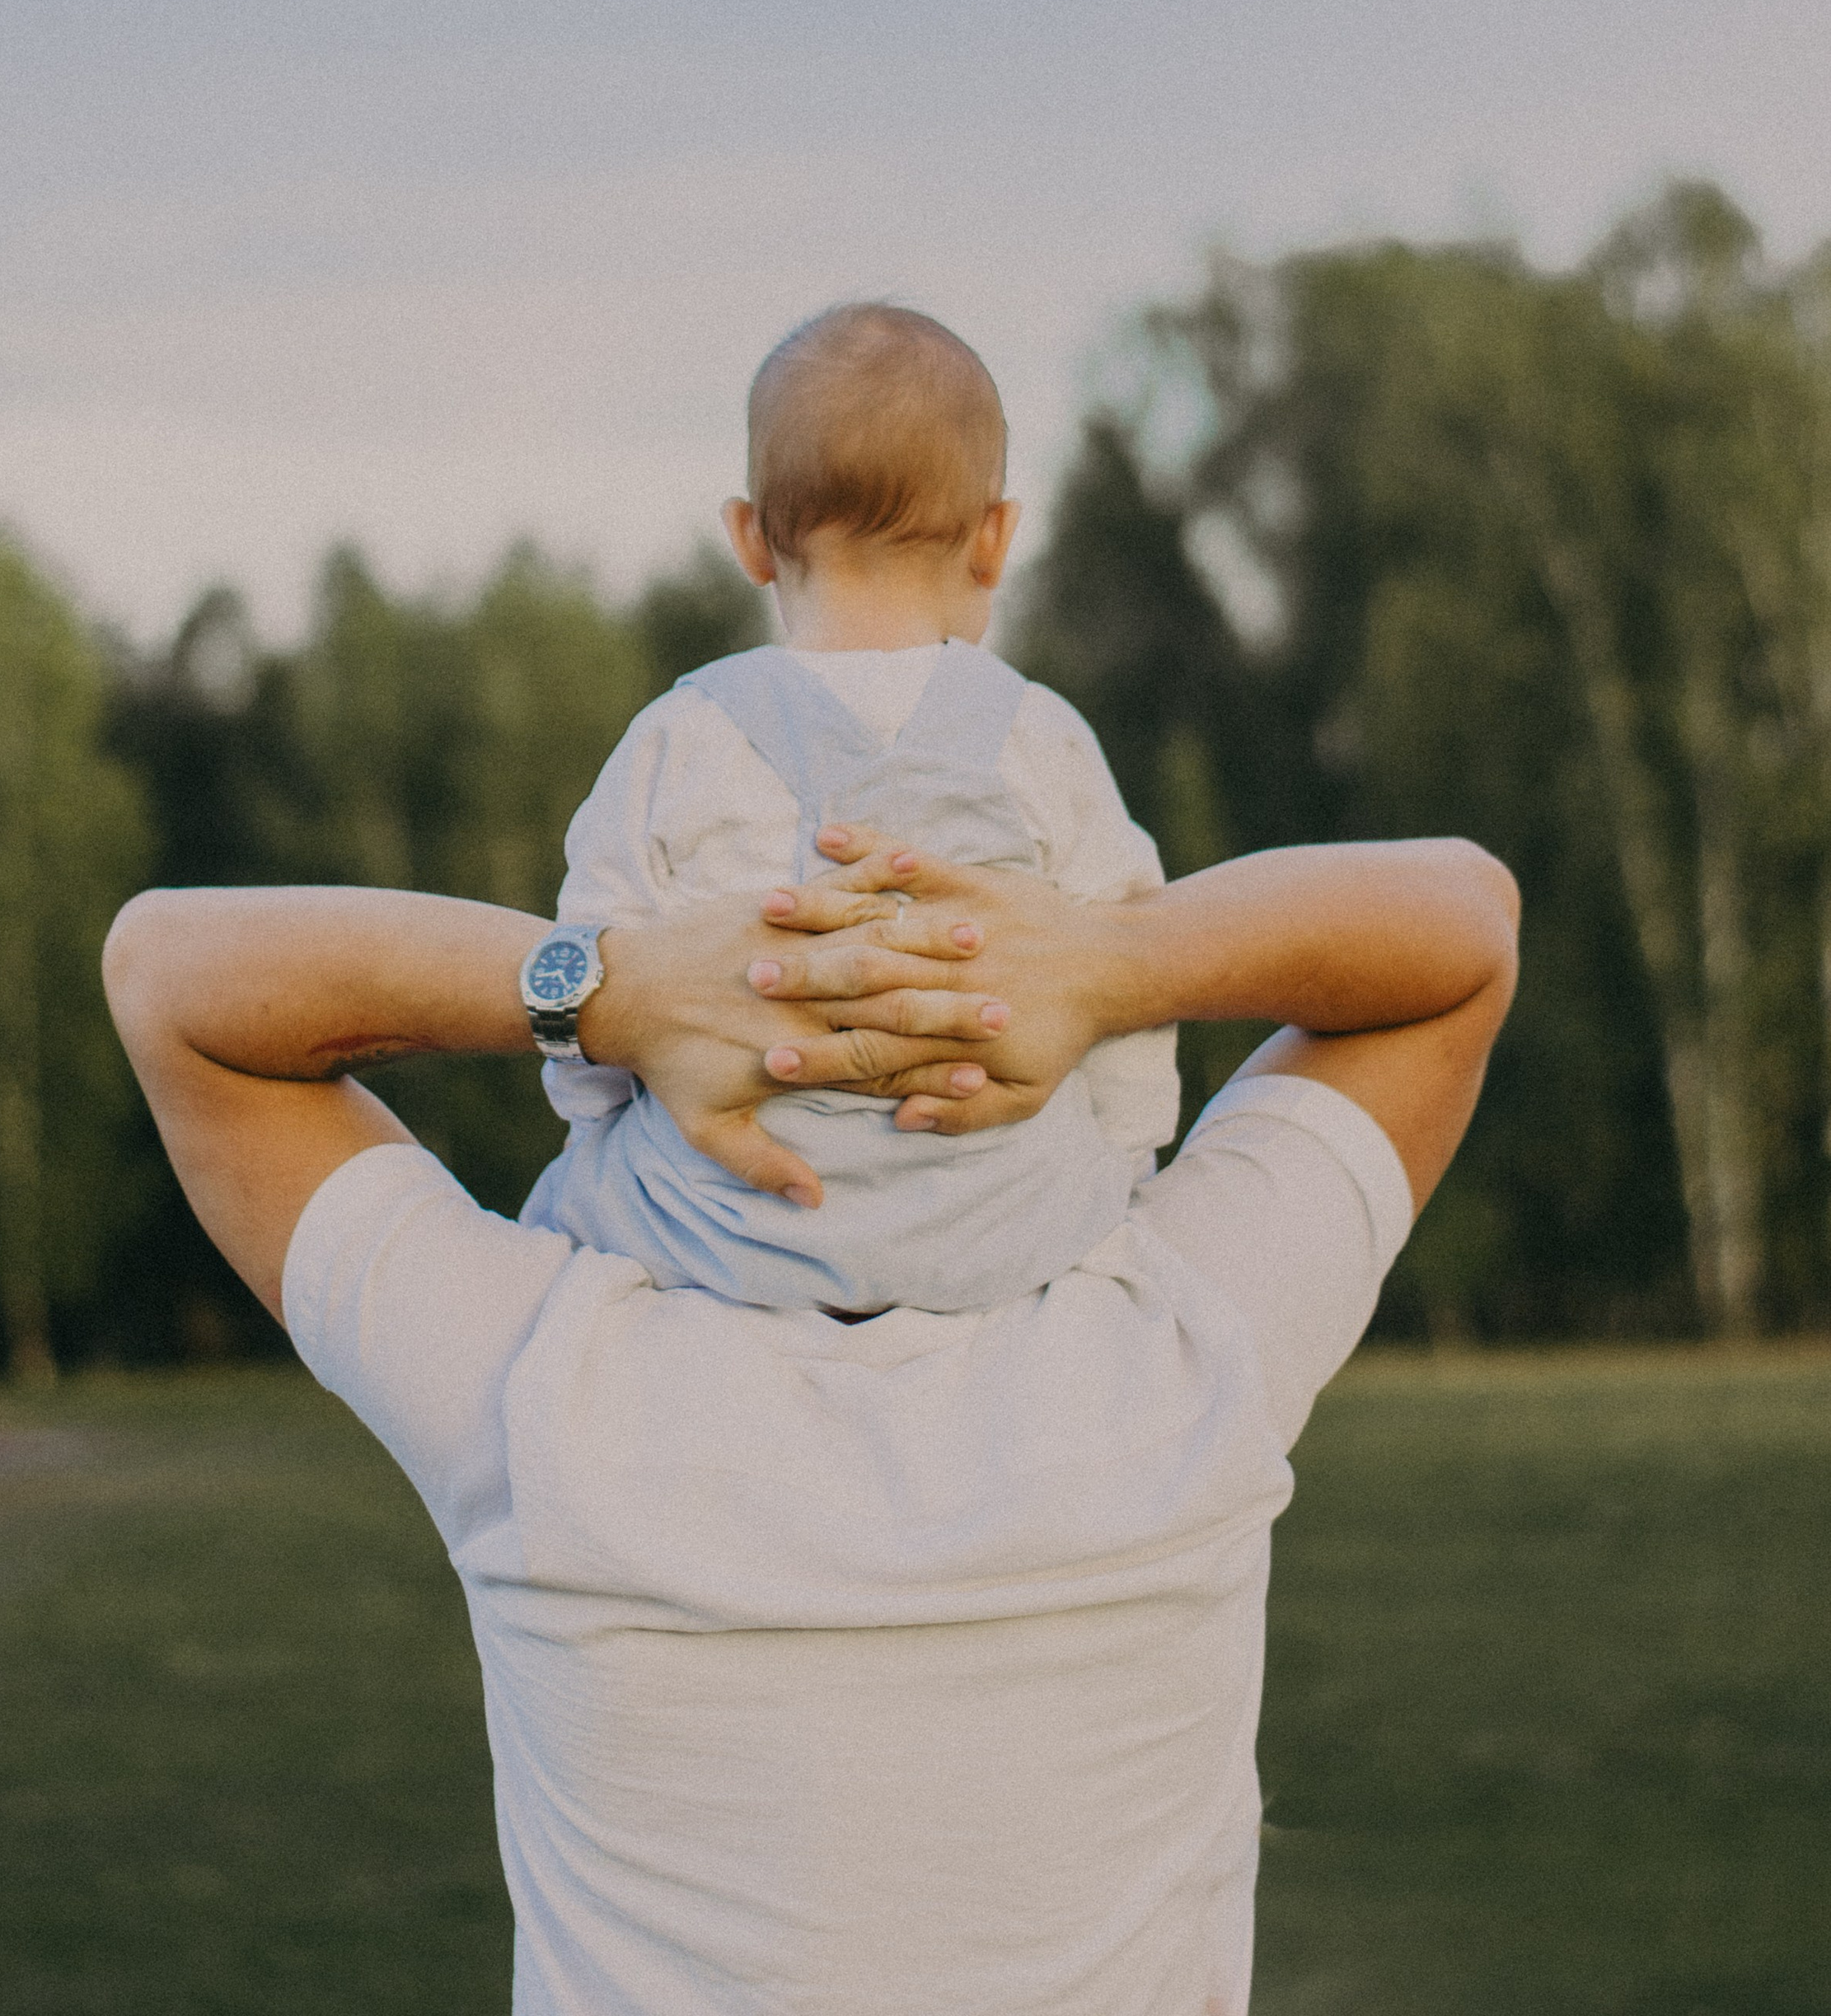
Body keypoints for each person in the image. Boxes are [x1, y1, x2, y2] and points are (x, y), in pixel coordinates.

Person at [105, 822, 1517, 2016]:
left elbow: (170, 980)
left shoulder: (551, 1396)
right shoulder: (1175, 1361)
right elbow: (1461, 928)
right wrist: (1114, 961)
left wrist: (603, 986)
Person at [526, 301, 1179, 1312]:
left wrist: (601, 1118)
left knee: (565, 1194)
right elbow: (1135, 966)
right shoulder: (1039, 736)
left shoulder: (679, 734)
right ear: (996, 537)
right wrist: (1121, 1163)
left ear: (748, 538)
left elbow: (598, 985)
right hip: (1001, 1241)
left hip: (730, 1239)